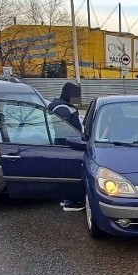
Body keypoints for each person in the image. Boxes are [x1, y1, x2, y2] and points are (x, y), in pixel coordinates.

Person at [48, 82, 84, 212]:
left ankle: (66, 199)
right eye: (75, 95)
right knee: (70, 172)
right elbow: (67, 129)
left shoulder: (62, 105)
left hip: (64, 143)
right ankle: (70, 202)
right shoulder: (62, 108)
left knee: (65, 172)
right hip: (67, 144)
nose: (77, 98)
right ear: (69, 93)